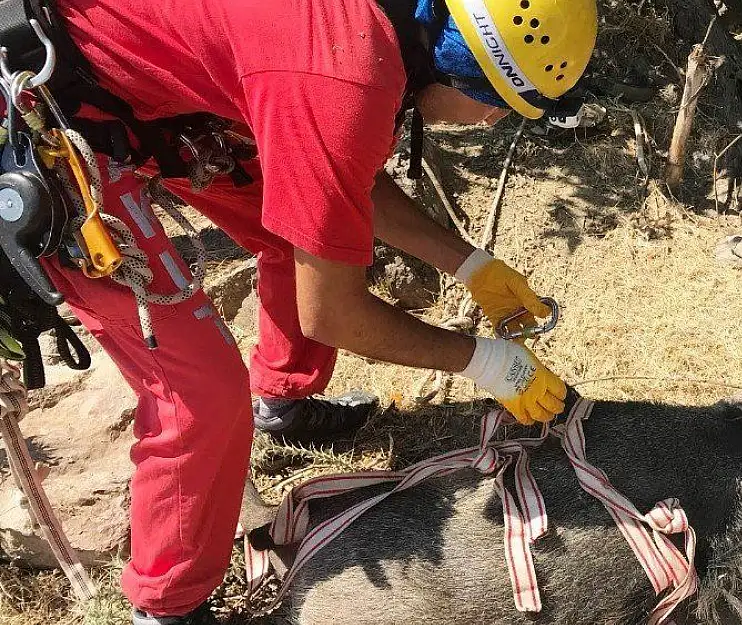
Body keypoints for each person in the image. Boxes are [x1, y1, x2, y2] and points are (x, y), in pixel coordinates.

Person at [5, 0, 597, 622]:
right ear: (461, 70)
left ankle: (282, 399)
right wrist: (488, 362)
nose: (490, 121)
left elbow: (337, 184)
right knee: (200, 391)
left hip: (142, 87)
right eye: (499, 103)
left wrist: (469, 266)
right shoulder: (343, 75)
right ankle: (167, 606)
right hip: (47, 103)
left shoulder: (374, 32)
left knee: (310, 235)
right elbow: (333, 314)